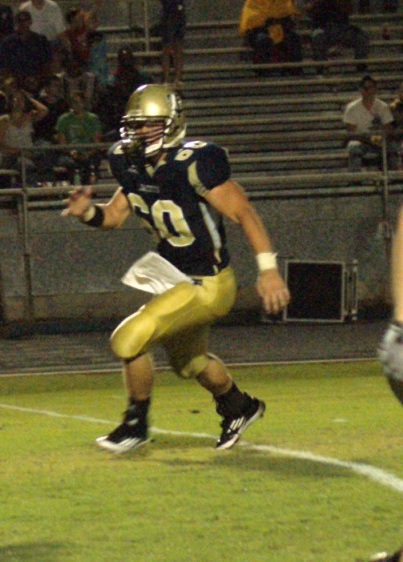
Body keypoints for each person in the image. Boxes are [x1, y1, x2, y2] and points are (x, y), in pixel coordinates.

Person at [61, 84, 290, 452]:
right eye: (135, 125)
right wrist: (87, 213)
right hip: (175, 280)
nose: (140, 132)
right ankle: (239, 406)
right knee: (190, 364)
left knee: (128, 339)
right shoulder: (131, 164)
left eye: (150, 125)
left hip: (208, 283)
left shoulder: (193, 163)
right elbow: (114, 215)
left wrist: (268, 269)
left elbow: (243, 212)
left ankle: (135, 425)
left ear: (172, 124)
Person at [344, 75, 399, 173]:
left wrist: (380, 138)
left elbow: (388, 127)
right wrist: (369, 139)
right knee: (353, 147)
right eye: (365, 88)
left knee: (393, 147)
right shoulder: (351, 108)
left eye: (370, 88)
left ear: (375, 89)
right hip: (361, 140)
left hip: (380, 140)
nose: (368, 91)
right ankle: (355, 177)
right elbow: (352, 132)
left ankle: (394, 176)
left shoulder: (382, 107)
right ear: (361, 90)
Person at [238, 0, 303, 74]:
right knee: (263, 40)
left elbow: (289, 16)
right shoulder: (253, 2)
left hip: (280, 29)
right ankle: (264, 71)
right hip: (258, 31)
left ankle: (294, 70)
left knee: (293, 38)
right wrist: (268, 22)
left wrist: (277, 21)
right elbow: (251, 21)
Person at [305, 0, 369, 73]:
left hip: (342, 28)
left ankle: (361, 67)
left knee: (361, 36)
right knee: (317, 39)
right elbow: (308, 9)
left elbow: (349, 10)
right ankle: (321, 69)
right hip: (322, 28)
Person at [0, 9, 53, 88]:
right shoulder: (8, 42)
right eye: (19, 21)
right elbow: (1, 66)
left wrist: (37, 78)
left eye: (25, 20)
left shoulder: (40, 40)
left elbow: (47, 63)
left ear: (30, 22)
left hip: (36, 80)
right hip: (15, 81)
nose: (22, 23)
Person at [55, 90, 102, 184]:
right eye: (74, 102)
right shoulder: (63, 119)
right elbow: (62, 142)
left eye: (79, 102)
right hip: (70, 153)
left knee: (91, 162)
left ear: (84, 103)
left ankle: (90, 185)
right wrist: (72, 153)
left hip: (89, 152)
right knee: (69, 163)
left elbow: (96, 141)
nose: (77, 105)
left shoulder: (93, 118)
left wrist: (88, 153)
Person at [157, 0, 185, 86]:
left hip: (179, 13)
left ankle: (178, 78)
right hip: (168, 13)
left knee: (178, 47)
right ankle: (166, 78)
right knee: (166, 47)